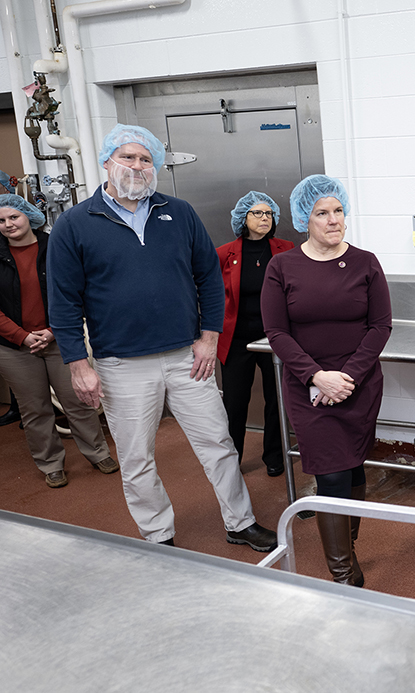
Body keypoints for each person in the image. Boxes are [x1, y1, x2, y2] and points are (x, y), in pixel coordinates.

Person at [47, 124, 277, 551]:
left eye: (146, 159)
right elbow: (62, 302)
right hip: (120, 364)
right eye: (128, 157)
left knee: (218, 443)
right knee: (136, 459)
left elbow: (209, 277)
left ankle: (240, 522)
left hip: (186, 357)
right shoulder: (75, 224)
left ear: (156, 166)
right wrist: (79, 365)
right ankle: (158, 536)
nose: (137, 166)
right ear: (106, 162)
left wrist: (209, 338)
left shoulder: (179, 212)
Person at [261, 175, 391, 586]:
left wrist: (347, 377)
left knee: (353, 469)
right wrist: (317, 376)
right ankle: (344, 578)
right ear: (305, 219)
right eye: (322, 213)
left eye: (338, 212)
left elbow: (380, 326)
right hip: (308, 389)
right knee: (331, 473)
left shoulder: (366, 262)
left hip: (359, 386)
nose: (334, 220)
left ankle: (347, 549)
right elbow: (277, 333)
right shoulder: (282, 267)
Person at [0, 194, 118, 488]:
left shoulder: (55, 246)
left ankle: (98, 452)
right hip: (14, 347)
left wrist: (53, 330)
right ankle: (51, 463)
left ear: (29, 215)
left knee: (78, 400)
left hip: (61, 339)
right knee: (35, 409)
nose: (8, 224)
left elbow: (76, 291)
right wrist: (23, 337)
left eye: (14, 217)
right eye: (1, 221)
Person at [217, 192, 294, 477]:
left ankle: (274, 454)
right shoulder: (226, 253)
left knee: (277, 399)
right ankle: (231, 459)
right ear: (243, 219)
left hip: (275, 338)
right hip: (237, 339)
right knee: (235, 403)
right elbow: (213, 295)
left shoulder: (285, 249)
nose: (265, 218)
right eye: (257, 214)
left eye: (269, 214)